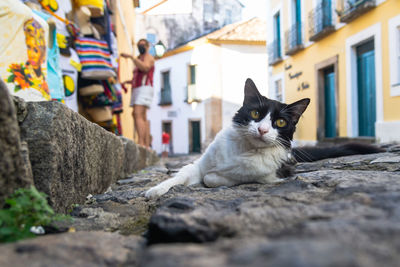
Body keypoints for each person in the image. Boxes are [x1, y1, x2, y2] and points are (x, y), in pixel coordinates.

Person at [121, 39, 155, 148]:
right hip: (138, 88)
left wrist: (131, 57)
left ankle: (141, 143)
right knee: (141, 116)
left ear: (147, 46)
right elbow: (138, 76)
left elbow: (145, 68)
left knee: (138, 113)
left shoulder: (148, 57)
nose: (141, 47)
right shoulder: (139, 59)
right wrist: (128, 82)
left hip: (144, 88)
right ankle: (145, 143)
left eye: (143, 45)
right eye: (139, 45)